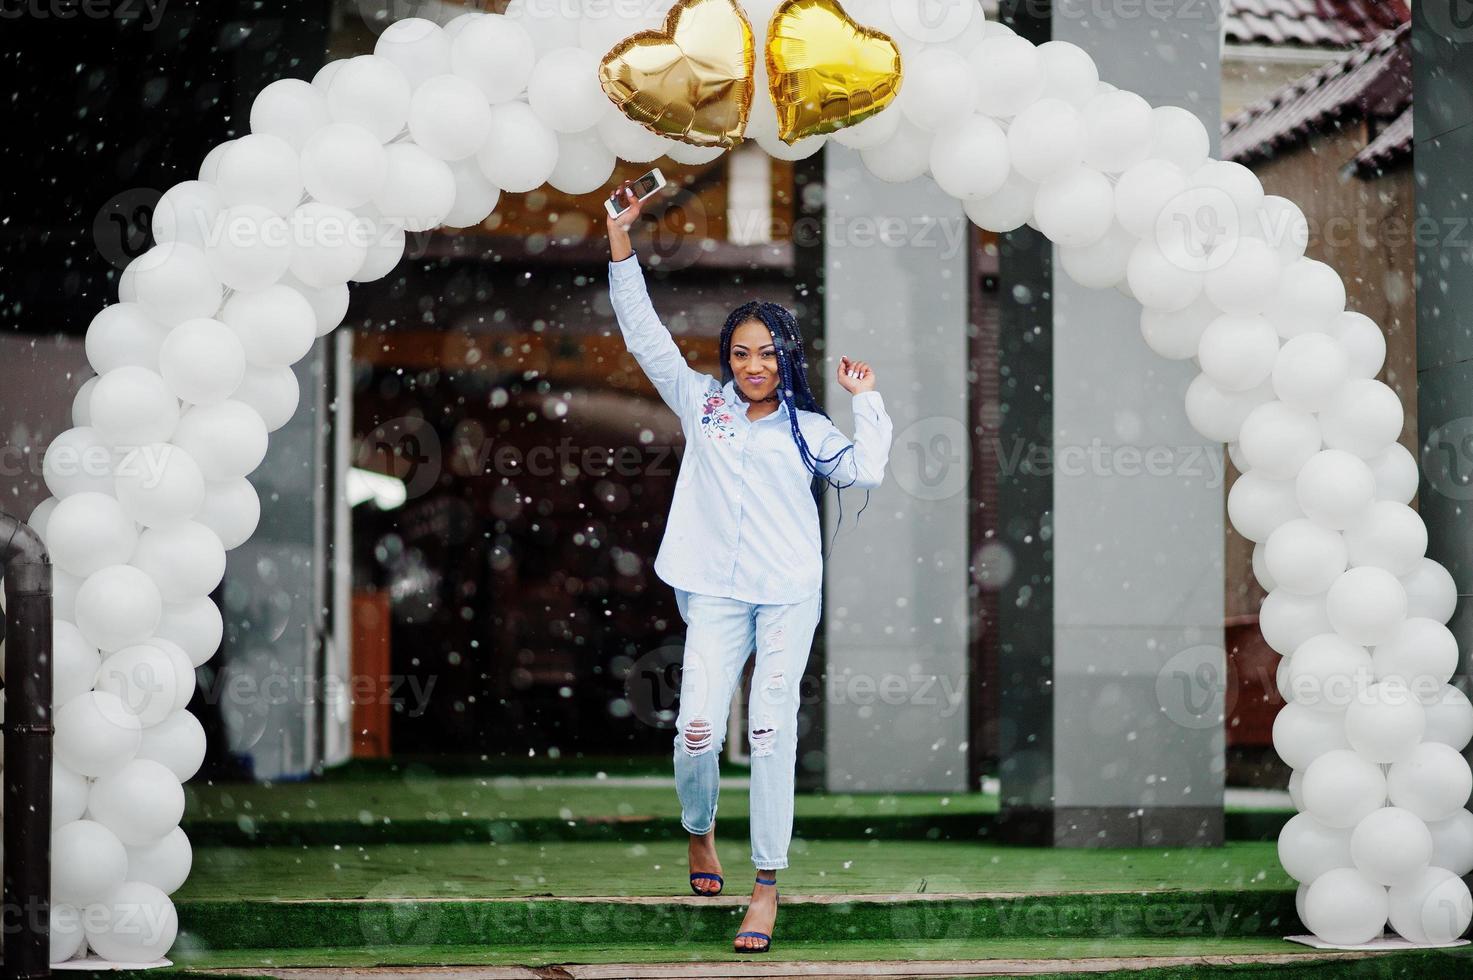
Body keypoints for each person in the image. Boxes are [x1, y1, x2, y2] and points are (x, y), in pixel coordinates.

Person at [603, 183, 894, 953]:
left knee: (769, 731)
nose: (753, 365)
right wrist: (620, 239)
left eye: (766, 353)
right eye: (741, 353)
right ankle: (699, 832)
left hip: (788, 592)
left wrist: (866, 401)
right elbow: (644, 336)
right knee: (696, 731)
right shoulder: (702, 405)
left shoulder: (809, 427)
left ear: (784, 357)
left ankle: (765, 888)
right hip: (715, 591)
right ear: (726, 359)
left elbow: (863, 473)